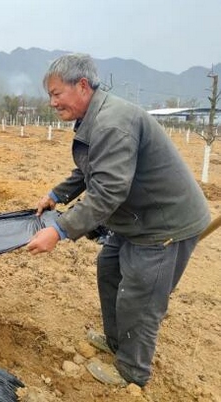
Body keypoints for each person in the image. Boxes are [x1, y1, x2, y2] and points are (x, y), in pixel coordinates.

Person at [26, 53, 210, 387]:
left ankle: (131, 372)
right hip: (136, 218)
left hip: (162, 225)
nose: (52, 102)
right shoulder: (96, 118)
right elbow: (91, 169)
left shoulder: (112, 122)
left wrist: (59, 230)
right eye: (50, 95)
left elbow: (109, 191)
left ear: (82, 86)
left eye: (56, 93)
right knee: (109, 268)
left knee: (140, 299)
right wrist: (56, 195)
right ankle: (115, 342)